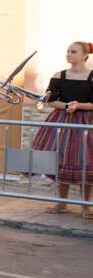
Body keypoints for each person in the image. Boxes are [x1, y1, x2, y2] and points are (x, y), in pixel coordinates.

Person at [33, 41, 93, 218]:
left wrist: (79, 105)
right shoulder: (59, 76)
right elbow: (49, 100)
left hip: (86, 122)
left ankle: (85, 206)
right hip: (61, 120)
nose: (69, 54)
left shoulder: (92, 76)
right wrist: (67, 105)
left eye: (73, 52)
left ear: (84, 55)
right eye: (67, 51)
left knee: (86, 163)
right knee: (59, 159)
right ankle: (62, 203)